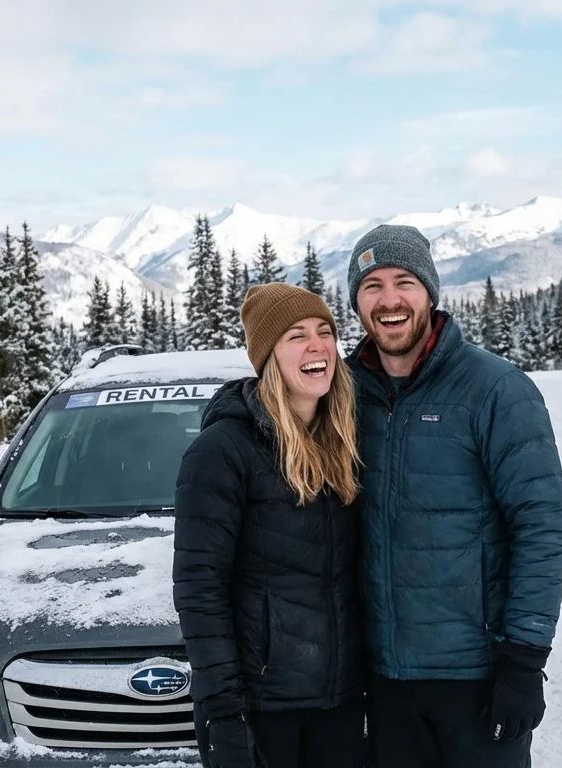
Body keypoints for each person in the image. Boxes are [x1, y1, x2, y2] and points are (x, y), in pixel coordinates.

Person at [344, 224, 562, 768]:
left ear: (429, 292)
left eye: (404, 282)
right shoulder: (344, 394)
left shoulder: (495, 389)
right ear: (357, 303)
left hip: (476, 675)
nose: (389, 300)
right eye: (372, 286)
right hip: (382, 679)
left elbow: (542, 527)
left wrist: (523, 661)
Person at [173, 283, 365, 768]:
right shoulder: (222, 450)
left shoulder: (344, 440)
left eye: (324, 331)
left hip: (339, 701)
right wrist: (224, 712)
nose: (317, 345)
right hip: (261, 707)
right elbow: (199, 588)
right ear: (268, 357)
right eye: (296, 336)